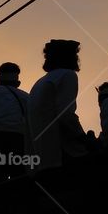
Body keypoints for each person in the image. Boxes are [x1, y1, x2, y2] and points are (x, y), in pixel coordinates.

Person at [28, 40, 89, 168]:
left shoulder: (40, 82)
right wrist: (85, 139)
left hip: (40, 156)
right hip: (61, 153)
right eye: (76, 55)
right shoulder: (68, 75)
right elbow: (66, 115)